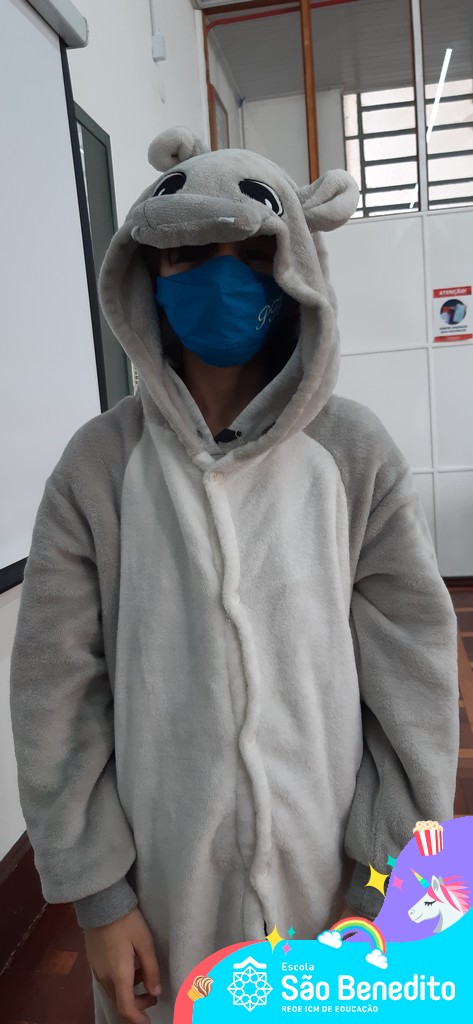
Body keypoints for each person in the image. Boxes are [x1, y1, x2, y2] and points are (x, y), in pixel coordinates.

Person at [9, 127, 459, 1024]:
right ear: (147, 271)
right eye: (188, 255)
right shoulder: (99, 465)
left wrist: (386, 878)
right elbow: (55, 688)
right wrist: (100, 896)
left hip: (334, 882)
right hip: (163, 895)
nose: (221, 278)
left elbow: (412, 673)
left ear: (293, 267)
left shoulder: (352, 450)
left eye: (251, 253)